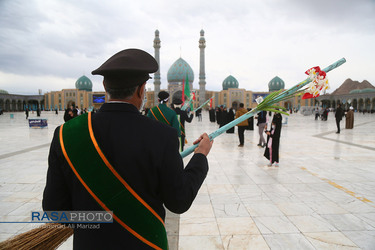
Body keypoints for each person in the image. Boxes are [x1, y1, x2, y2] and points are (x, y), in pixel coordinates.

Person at [43, 48, 213, 249]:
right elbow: (179, 200)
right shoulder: (162, 136)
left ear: (105, 86)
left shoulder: (66, 134)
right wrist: (200, 156)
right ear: (142, 90)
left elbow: (54, 211)